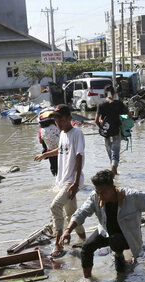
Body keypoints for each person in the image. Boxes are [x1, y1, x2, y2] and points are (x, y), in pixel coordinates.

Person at [34, 104, 87, 257]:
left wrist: (76, 183)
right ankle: (84, 240)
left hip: (71, 180)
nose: (59, 124)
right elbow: (62, 149)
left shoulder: (77, 133)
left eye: (62, 120)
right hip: (63, 179)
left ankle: (58, 243)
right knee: (72, 214)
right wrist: (45, 155)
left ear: (70, 118)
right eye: (56, 121)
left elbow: (79, 157)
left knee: (55, 206)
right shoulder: (62, 133)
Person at [95, 85, 129, 175]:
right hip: (116, 132)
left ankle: (114, 172)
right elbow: (129, 115)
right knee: (115, 152)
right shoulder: (119, 103)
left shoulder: (101, 105)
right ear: (114, 93)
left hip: (106, 133)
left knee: (110, 151)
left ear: (104, 94)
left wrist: (102, 128)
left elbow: (96, 120)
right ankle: (114, 170)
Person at [37, 110, 60, 176]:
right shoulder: (58, 126)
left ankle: (56, 179)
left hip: (50, 152)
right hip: (61, 150)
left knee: (54, 168)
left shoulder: (41, 129)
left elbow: (41, 141)